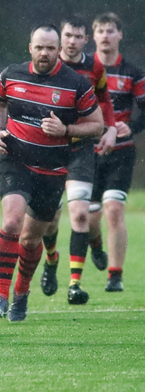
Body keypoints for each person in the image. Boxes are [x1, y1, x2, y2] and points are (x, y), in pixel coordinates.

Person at [0, 24, 103, 321]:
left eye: (50, 48)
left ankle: (21, 294)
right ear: (30, 48)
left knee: (29, 240)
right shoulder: (11, 74)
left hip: (52, 170)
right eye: (39, 47)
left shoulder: (75, 84)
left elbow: (96, 125)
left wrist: (66, 129)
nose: (44, 53)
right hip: (16, 160)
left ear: (58, 50)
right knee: (12, 221)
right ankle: (0, 293)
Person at [39, 16, 117, 305]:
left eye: (78, 36)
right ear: (60, 38)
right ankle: (51, 260)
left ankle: (75, 284)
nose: (72, 42)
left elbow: (104, 99)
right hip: (47, 149)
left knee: (81, 214)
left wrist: (109, 129)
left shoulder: (95, 67)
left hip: (81, 147)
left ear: (87, 40)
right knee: (49, 220)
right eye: (68, 35)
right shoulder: (44, 64)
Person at [89, 12, 145, 292]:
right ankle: (95, 245)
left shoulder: (133, 73)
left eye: (111, 30)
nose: (106, 35)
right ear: (94, 35)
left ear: (120, 35)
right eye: (101, 31)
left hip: (121, 153)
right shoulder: (83, 69)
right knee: (88, 216)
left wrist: (130, 127)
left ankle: (115, 275)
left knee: (113, 209)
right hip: (87, 153)